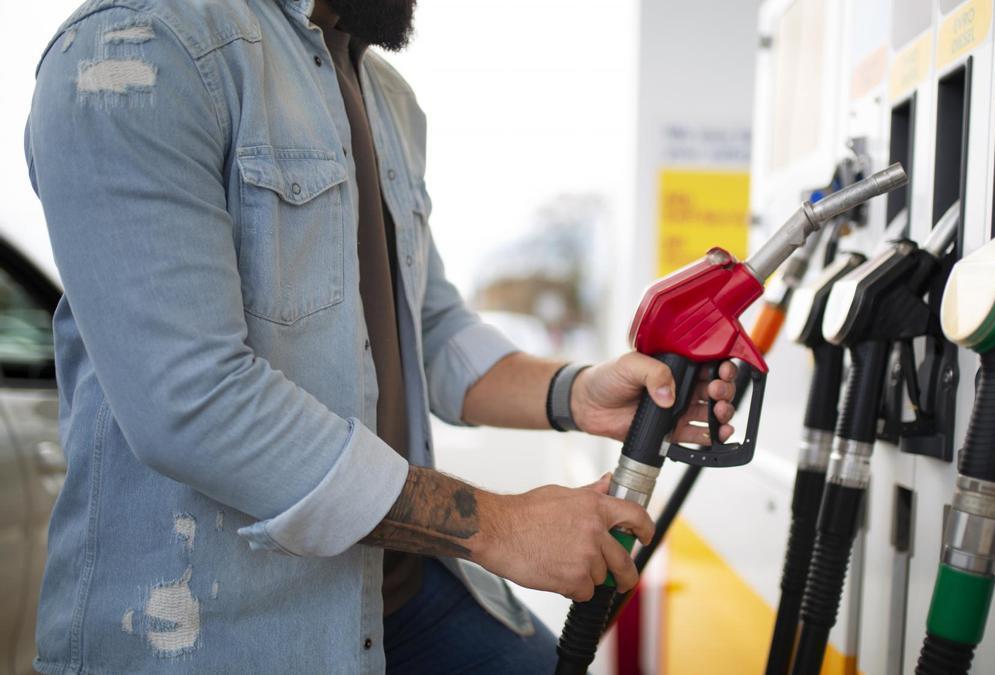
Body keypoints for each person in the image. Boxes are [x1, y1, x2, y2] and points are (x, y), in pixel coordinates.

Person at [25, 0, 738, 672]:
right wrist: (498, 524)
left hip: (398, 587)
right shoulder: (140, 49)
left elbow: (427, 325)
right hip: (218, 631)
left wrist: (576, 393)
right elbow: (192, 402)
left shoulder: (384, 94)